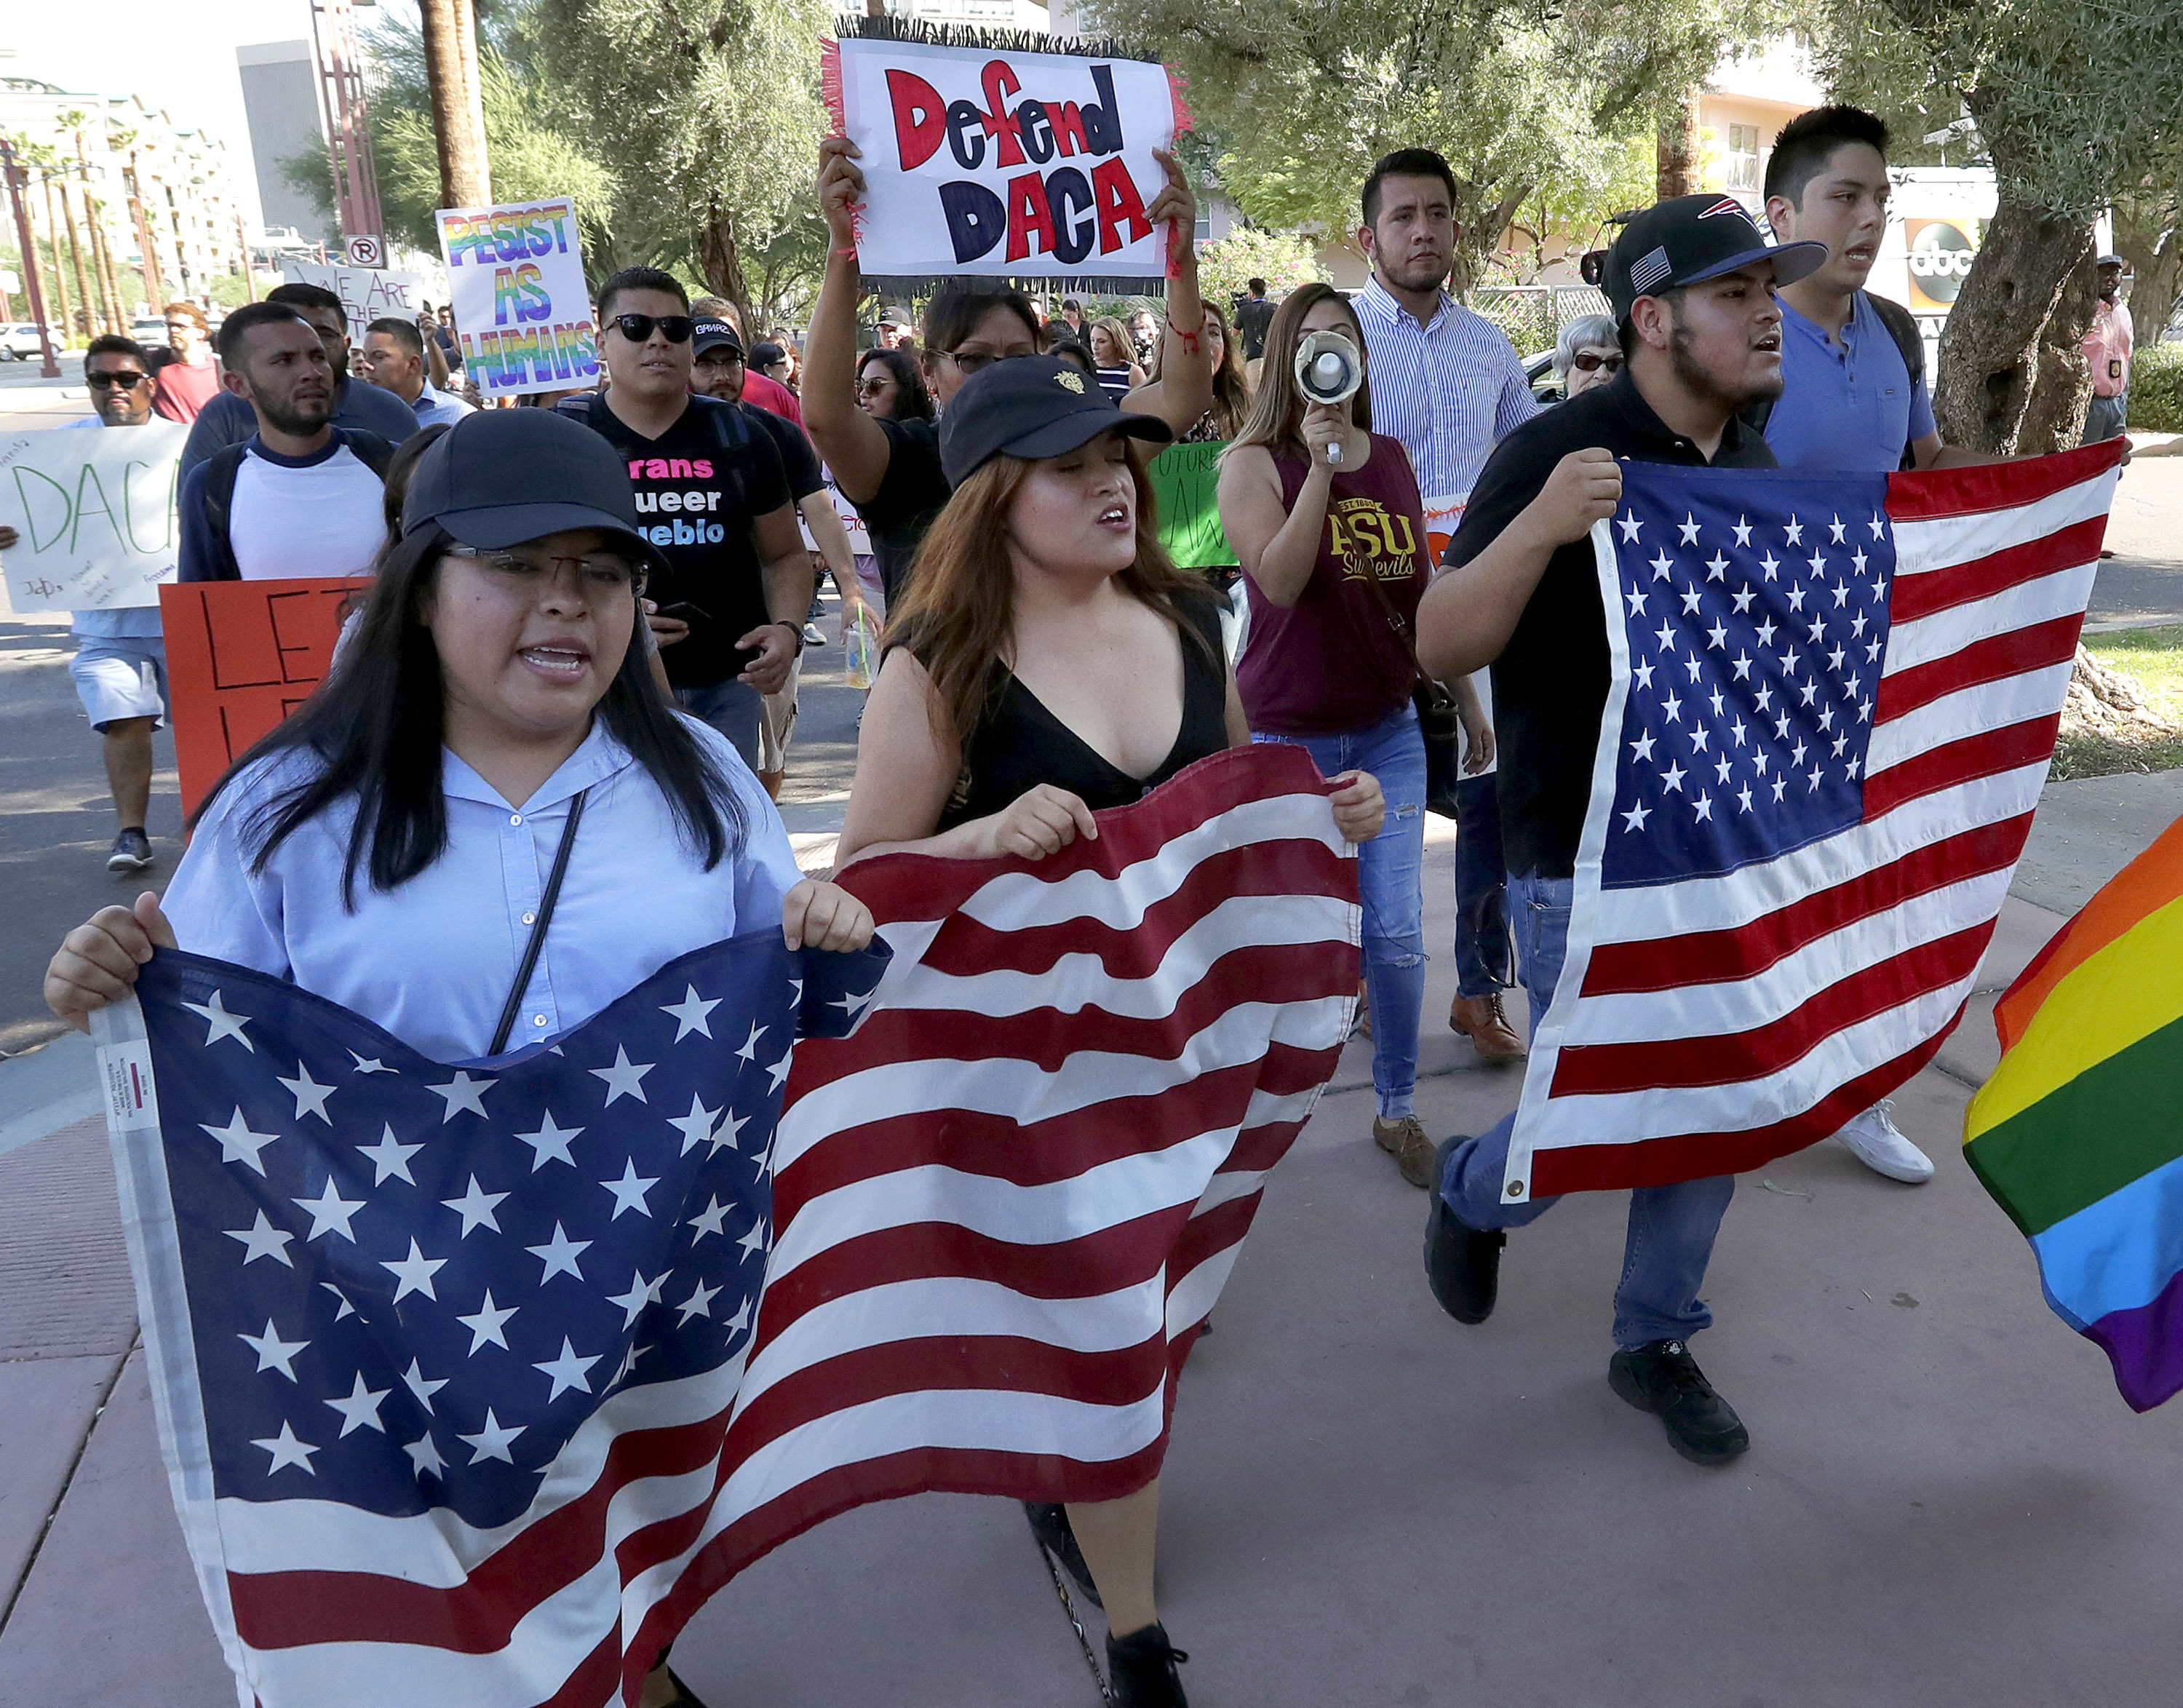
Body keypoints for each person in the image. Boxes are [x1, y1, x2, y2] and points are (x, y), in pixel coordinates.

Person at [42, 408, 874, 1708]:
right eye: (516, 566)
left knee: (610, 1540)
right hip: (380, 1304)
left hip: (633, 1287)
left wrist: (824, 937)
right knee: (432, 1618)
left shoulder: (702, 783)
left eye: (601, 571)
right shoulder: (289, 807)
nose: (567, 605)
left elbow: (785, 1024)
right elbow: (209, 1046)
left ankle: (629, 1667)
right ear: (422, 587)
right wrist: (111, 981)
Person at [837, 354, 1383, 1708]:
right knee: (1112, 1342)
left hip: (1189, 1064)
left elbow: (1234, 815)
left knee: (1149, 1323)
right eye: (1071, 465)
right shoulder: (939, 665)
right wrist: (977, 835)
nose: (1112, 484)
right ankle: (1140, 1647)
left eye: (1118, 459)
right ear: (990, 492)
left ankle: (1054, 1468)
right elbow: (860, 885)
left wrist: (1321, 817)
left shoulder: (1194, 620)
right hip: (1026, 1087)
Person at [1412, 194, 1829, 1466]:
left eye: (1771, 287)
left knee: (1711, 1104)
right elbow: (1440, 642)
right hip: (1575, 853)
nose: (1768, 313)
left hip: (1725, 856)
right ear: (1652, 319)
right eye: (1734, 293)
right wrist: (1544, 524)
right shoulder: (1564, 445)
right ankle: (1475, 1189)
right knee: (1593, 1118)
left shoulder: (1754, 463)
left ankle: (1654, 1340)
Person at [1761, 102, 2011, 1184]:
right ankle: (1741, 1082)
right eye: (1844, 197)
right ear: (1786, 214)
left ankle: (1861, 1091)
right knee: (1764, 889)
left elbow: (1922, 464)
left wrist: (2034, 489)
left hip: (1872, 663)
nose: (1869, 220)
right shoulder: (1744, 331)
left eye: (1881, 200)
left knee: (1871, 882)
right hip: (1747, 675)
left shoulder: (1896, 329)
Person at [1217, 282, 1450, 1188]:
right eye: (1309, 338)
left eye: (1342, 335)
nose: (1328, 351)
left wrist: (1461, 694)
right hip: (1284, 739)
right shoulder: (1251, 462)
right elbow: (1277, 581)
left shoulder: (1390, 455)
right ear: (1284, 358)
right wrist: (1316, 466)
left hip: (1387, 729)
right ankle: (1247, 1110)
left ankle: (1397, 1107)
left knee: (1394, 931)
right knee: (1291, 938)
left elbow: (1418, 589)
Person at [806, 132, 1212, 608]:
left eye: (1018, 358)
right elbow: (825, 415)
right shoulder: (905, 463)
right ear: (928, 371)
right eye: (973, 359)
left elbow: (1184, 396)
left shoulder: (1088, 440)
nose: (998, 375)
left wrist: (1180, 265)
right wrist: (843, 250)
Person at [1352, 147, 1540, 1067]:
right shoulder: (1335, 342)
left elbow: (1521, 476)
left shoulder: (1492, 348)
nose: (1422, 230)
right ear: (1369, 236)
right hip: (1362, 611)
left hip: (1476, 606)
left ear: (1457, 229)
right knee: (1356, 802)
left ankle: (1478, 989)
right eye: (1402, 216)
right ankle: (1354, 975)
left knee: (1489, 797)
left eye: (1437, 213)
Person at [556, 268, 810, 774]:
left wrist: (787, 630)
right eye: (634, 327)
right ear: (600, 339)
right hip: (605, 686)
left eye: (675, 329)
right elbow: (540, 568)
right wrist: (616, 620)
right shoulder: (567, 440)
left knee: (717, 832)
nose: (657, 341)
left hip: (727, 685)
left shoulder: (741, 435)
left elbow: (785, 555)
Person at [0, 336, 169, 871]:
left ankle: (220, 827)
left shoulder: (185, 445)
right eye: (101, 380)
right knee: (124, 720)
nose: (114, 389)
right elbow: (28, 517)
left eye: (126, 379)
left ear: (151, 384)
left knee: (214, 728)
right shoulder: (55, 452)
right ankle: (131, 833)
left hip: (184, 616)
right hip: (105, 626)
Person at [690, 316, 872, 792]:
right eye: (705, 364)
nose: (720, 375)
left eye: (729, 361)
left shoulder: (775, 435)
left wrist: (850, 589)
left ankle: (764, 830)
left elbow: (820, 510)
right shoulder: (660, 438)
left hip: (768, 622)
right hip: (684, 640)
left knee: (766, 758)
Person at [178, 303, 394, 583]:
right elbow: (200, 614)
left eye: (318, 357)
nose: (312, 372)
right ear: (238, 385)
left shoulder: (392, 465)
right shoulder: (212, 486)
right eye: (284, 361)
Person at [179, 282, 420, 476]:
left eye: (322, 335)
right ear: (237, 384)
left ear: (345, 343)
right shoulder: (223, 418)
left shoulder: (391, 413)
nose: (308, 346)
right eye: (285, 355)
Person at [354, 315, 474, 427]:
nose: (366, 365)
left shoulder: (458, 417)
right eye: (365, 357)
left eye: (379, 357)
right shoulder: (355, 416)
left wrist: (430, 340)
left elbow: (440, 376)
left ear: (412, 365)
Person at [2083, 255, 2134, 445]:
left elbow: (2127, 356)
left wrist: (2123, 398)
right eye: (2102, 273)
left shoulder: (2123, 312)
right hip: (2091, 405)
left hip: (2117, 404)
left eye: (2115, 273)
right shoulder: (2083, 312)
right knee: (2088, 467)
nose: (2109, 279)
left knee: (2114, 468)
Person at [146, 300, 220, 424]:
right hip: (169, 439)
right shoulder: (156, 362)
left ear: (200, 332)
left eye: (180, 326)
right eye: (170, 326)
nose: (173, 330)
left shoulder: (220, 370)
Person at [1551, 313, 1622, 400]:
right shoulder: (1555, 414)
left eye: (1615, 364)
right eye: (1588, 362)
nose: (1602, 375)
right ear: (1565, 366)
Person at [1088, 316, 1147, 400]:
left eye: (1102, 342)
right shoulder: (1086, 368)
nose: (1095, 346)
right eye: (1092, 340)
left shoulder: (1132, 373)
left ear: (1116, 342)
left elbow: (1143, 405)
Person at [1234, 277, 1276, 365]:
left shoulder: (1244, 310)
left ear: (1252, 293)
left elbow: (1235, 333)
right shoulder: (1275, 308)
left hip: (1254, 357)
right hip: (1273, 355)